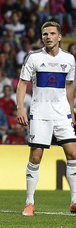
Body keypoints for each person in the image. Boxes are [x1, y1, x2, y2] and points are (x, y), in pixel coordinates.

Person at [17, 21, 76, 216]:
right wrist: (20, 109)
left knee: (73, 155)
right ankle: (29, 202)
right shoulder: (33, 58)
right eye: (45, 34)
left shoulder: (69, 59)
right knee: (36, 157)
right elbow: (22, 83)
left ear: (59, 37)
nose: (48, 37)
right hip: (40, 114)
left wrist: (71, 110)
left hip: (62, 115)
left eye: (52, 33)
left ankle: (75, 201)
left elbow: (69, 85)